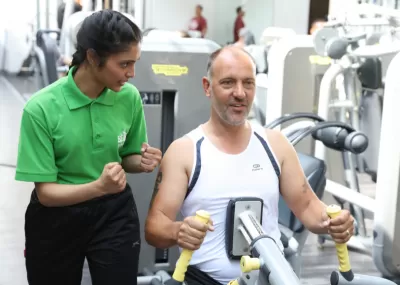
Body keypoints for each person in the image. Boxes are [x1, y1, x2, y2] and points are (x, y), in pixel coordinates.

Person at [144, 46, 355, 285]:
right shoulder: (185, 151)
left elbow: (308, 207)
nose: (240, 93)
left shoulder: (276, 144)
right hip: (204, 280)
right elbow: (154, 227)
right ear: (207, 87)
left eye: (248, 83)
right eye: (227, 83)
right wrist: (178, 231)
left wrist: (333, 222)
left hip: (268, 277)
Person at [15, 10, 162, 285]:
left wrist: (139, 161)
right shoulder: (41, 109)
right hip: (55, 217)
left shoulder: (128, 97)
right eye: (124, 64)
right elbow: (46, 194)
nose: (131, 74)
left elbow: (127, 155)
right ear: (93, 57)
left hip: (113, 212)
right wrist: (99, 186)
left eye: (135, 63)